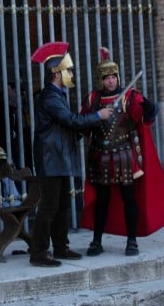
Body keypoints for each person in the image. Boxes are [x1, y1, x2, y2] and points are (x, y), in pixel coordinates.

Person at [80, 47, 164, 256]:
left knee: (129, 199)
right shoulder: (92, 99)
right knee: (102, 201)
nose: (111, 81)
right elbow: (83, 122)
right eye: (107, 78)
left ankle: (132, 240)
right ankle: (97, 241)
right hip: (100, 156)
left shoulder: (129, 97)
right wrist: (94, 118)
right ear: (101, 79)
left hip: (124, 156)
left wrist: (148, 107)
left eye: (113, 77)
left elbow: (141, 116)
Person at [29, 41, 113, 267]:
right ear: (57, 73)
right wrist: (97, 116)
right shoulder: (50, 97)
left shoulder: (58, 95)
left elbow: (66, 127)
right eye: (69, 70)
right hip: (51, 159)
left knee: (63, 205)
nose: (72, 74)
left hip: (60, 157)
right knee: (49, 206)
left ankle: (60, 246)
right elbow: (70, 121)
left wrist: (84, 126)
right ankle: (38, 251)